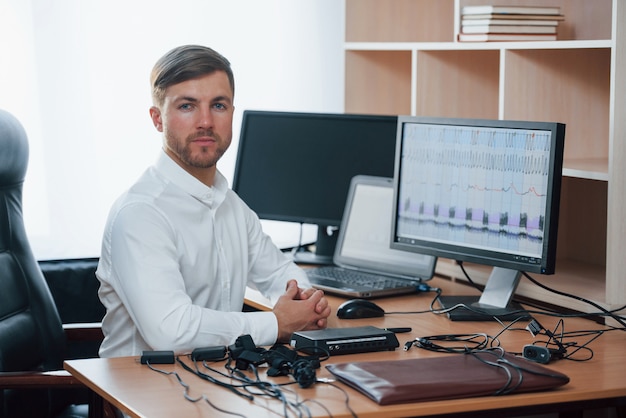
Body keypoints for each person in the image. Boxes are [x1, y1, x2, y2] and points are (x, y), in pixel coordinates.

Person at [96, 45, 331, 358]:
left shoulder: (230, 205)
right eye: (187, 106)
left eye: (218, 105)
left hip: (221, 384)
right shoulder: (140, 213)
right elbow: (170, 331)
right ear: (157, 119)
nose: (205, 121)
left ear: (232, 112)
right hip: (146, 397)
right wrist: (277, 323)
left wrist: (304, 301)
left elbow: (278, 274)